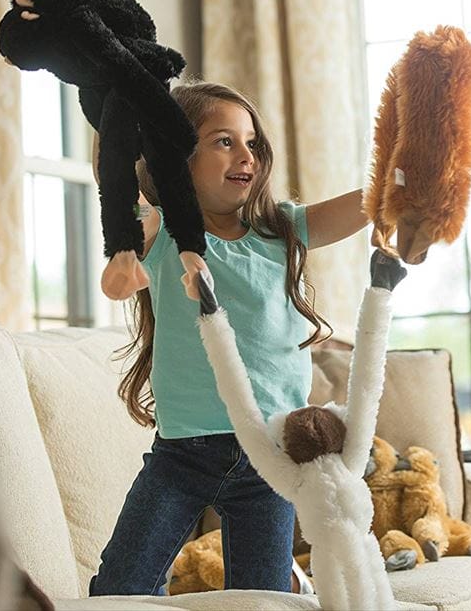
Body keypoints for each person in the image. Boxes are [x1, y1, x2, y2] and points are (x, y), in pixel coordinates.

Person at [88, 81, 369, 595]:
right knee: (119, 591)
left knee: (263, 601)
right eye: (224, 141)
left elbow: (371, 202)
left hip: (271, 457)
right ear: (177, 156)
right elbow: (117, 209)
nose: (246, 155)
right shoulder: (165, 233)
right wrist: (119, 95)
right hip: (183, 455)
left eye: (252, 143)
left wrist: (407, 178)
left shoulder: (282, 230)